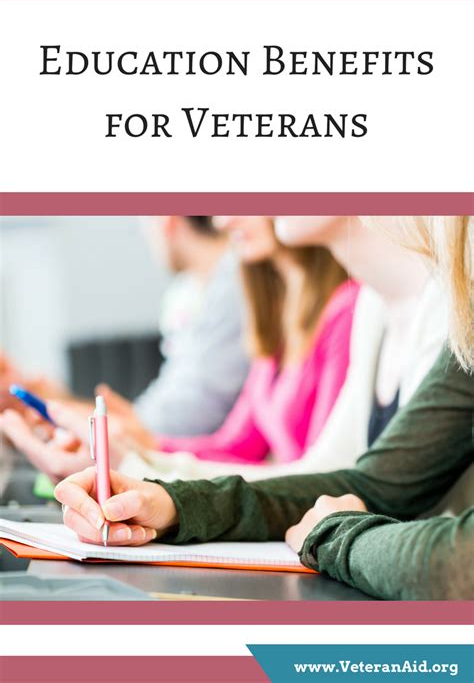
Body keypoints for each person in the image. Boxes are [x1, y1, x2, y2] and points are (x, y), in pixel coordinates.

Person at [51, 216, 473, 600]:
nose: (222, 218)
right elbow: (374, 483)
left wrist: (338, 536)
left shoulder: (423, 304)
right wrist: (171, 503)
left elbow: (455, 563)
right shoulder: (384, 308)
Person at [110, 215, 447, 484]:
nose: (221, 223)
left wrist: (143, 462)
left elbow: (328, 478)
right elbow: (240, 444)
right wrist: (143, 452)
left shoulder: (352, 307)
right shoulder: (279, 324)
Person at [1, 215, 249, 440]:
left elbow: (186, 416)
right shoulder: (189, 293)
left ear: (167, 220)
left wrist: (62, 409)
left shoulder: (235, 286)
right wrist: (57, 402)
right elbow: (163, 408)